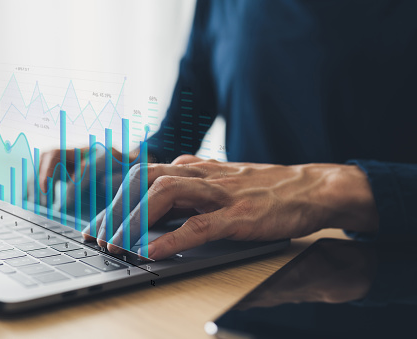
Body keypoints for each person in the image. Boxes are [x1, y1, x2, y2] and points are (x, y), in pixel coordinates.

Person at [39, 0, 417, 260]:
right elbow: (176, 135)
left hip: (383, 271)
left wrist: (329, 190)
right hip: (254, 265)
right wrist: (128, 163)